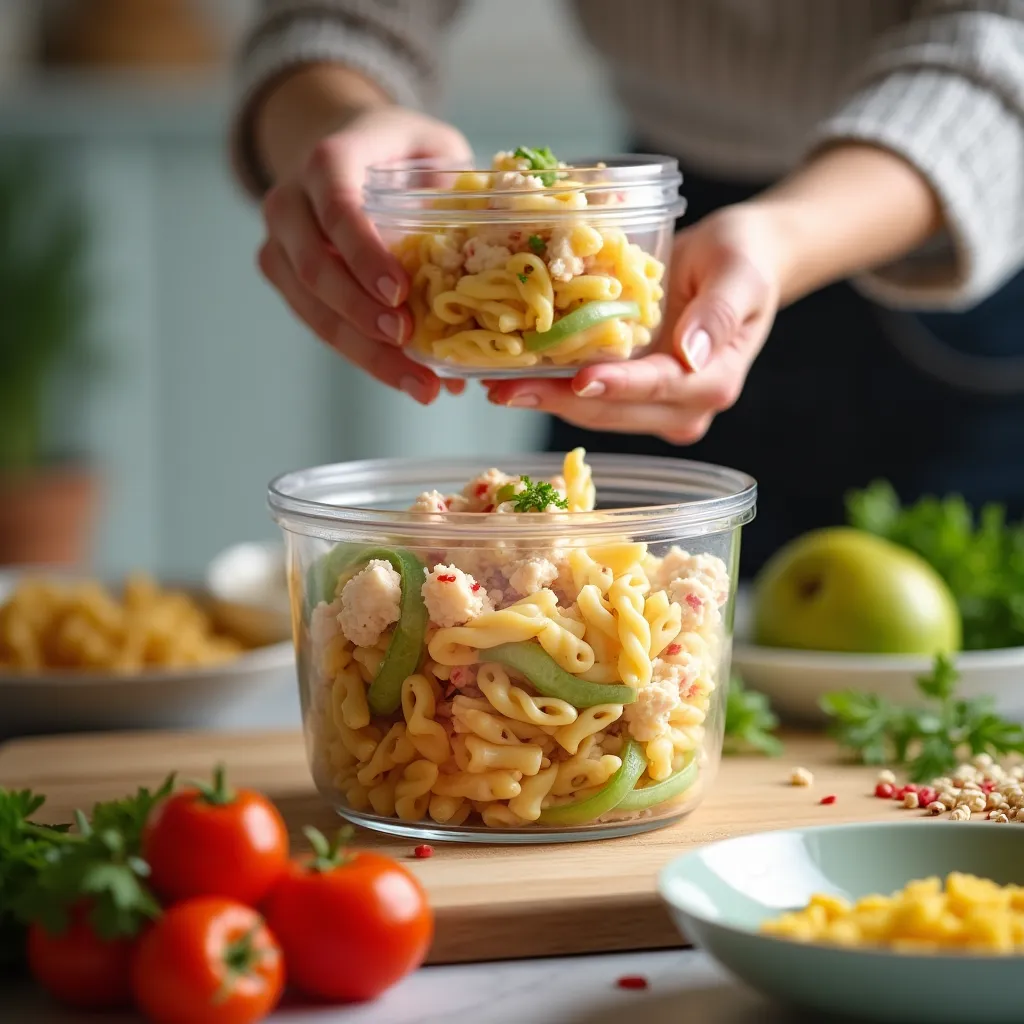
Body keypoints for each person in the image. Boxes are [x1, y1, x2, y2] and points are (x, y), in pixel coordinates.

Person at [232, 1, 1024, 575]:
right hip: (631, 238)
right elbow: (331, 19)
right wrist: (336, 134)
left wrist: (785, 237)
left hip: (945, 225)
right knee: (579, 616)